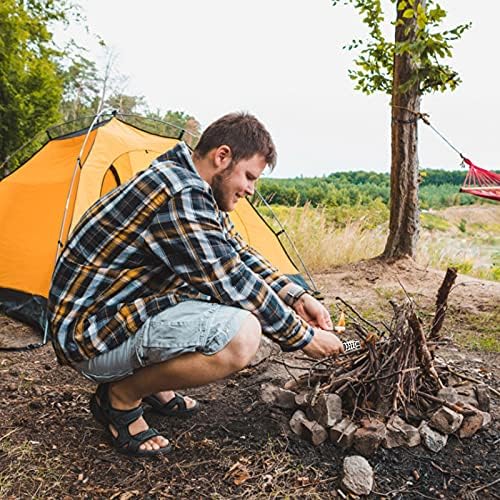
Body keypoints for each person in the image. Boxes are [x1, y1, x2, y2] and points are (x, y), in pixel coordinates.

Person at [48, 112, 343, 457]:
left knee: (226, 305)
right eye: (249, 176)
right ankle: (120, 397)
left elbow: (238, 252)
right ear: (222, 156)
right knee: (241, 334)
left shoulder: (193, 185)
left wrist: (297, 295)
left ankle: (153, 384)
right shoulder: (180, 195)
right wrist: (303, 337)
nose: (250, 189)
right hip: (91, 336)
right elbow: (231, 278)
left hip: (119, 311)